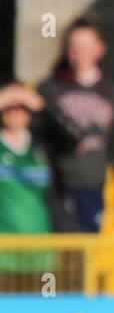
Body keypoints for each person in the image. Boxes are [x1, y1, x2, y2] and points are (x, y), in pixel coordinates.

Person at [37, 17, 114, 233]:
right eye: (74, 48)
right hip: (57, 187)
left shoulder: (112, 95)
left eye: (86, 47)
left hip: (92, 186)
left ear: (99, 49)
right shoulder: (50, 90)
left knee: (85, 255)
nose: (79, 55)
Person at [0, 83, 55, 289]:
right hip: (4, 247)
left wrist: (40, 104)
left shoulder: (41, 148)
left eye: (21, 108)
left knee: (38, 307)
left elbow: (69, 136)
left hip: (38, 243)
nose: (15, 114)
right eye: (9, 108)